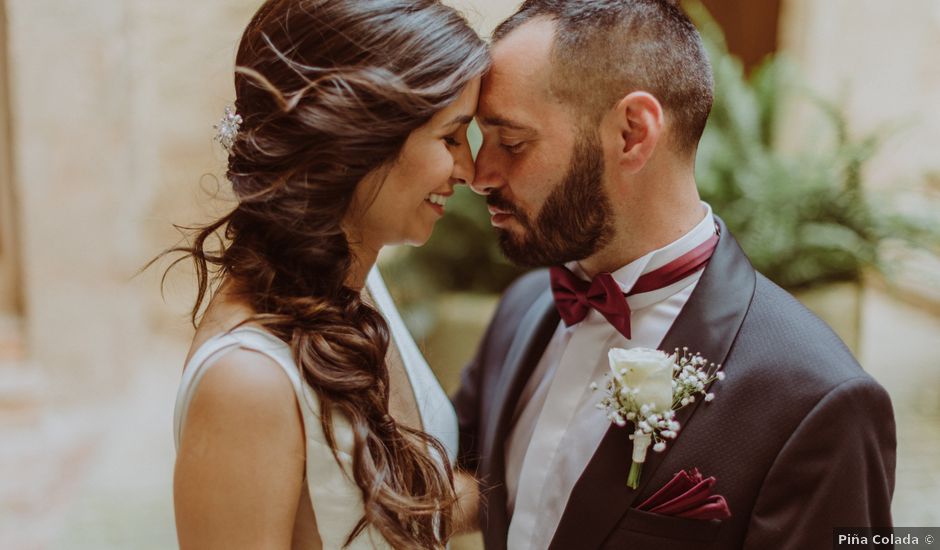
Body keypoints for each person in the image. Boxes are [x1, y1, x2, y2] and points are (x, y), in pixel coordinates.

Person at [453, 1, 896, 549]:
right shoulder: (525, 307)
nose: (479, 174)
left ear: (632, 134)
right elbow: (463, 481)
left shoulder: (817, 399)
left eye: (513, 141)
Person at [167, 1, 489, 548]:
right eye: (452, 137)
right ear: (358, 142)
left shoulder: (355, 287)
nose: (470, 172)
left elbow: (389, 496)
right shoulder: (247, 382)